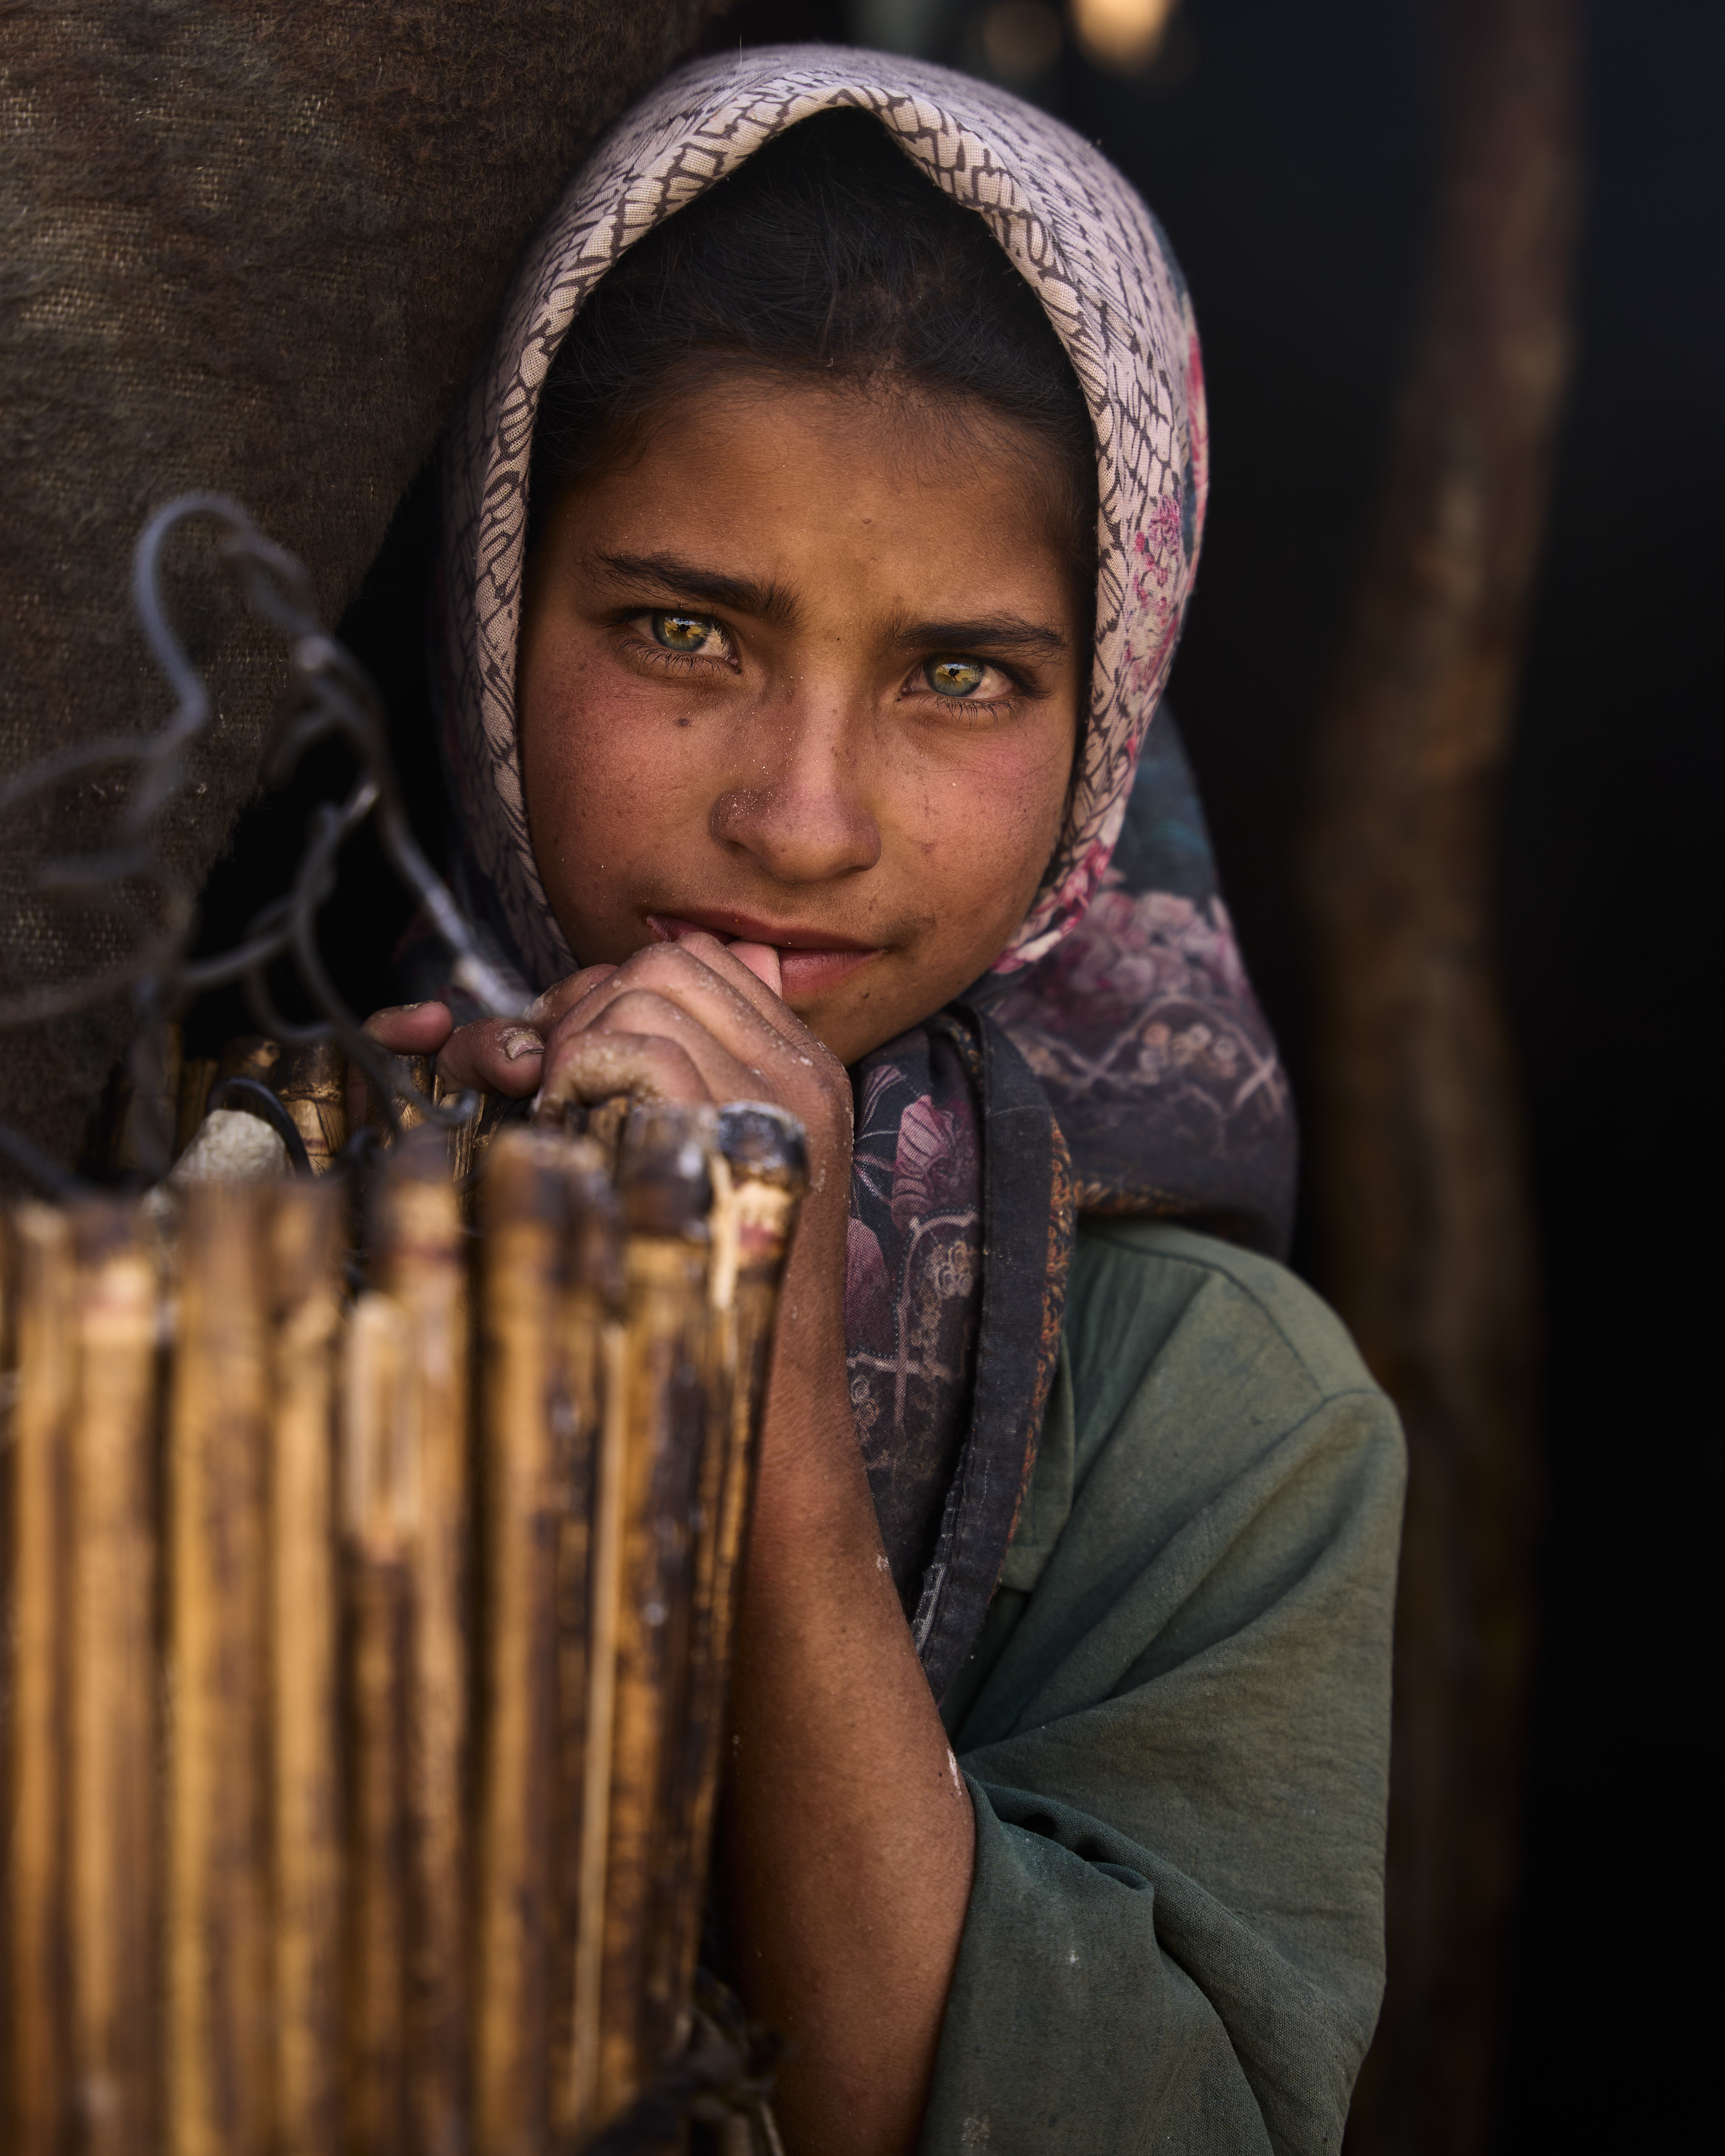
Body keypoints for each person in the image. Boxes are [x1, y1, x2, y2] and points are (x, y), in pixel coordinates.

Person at [368, 47, 1404, 2156]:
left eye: (959, 676)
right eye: (682, 628)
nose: (803, 818)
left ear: (1102, 712)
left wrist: (778, 1414)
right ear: (495, 603)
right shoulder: (192, 1142)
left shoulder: (1218, 1419)